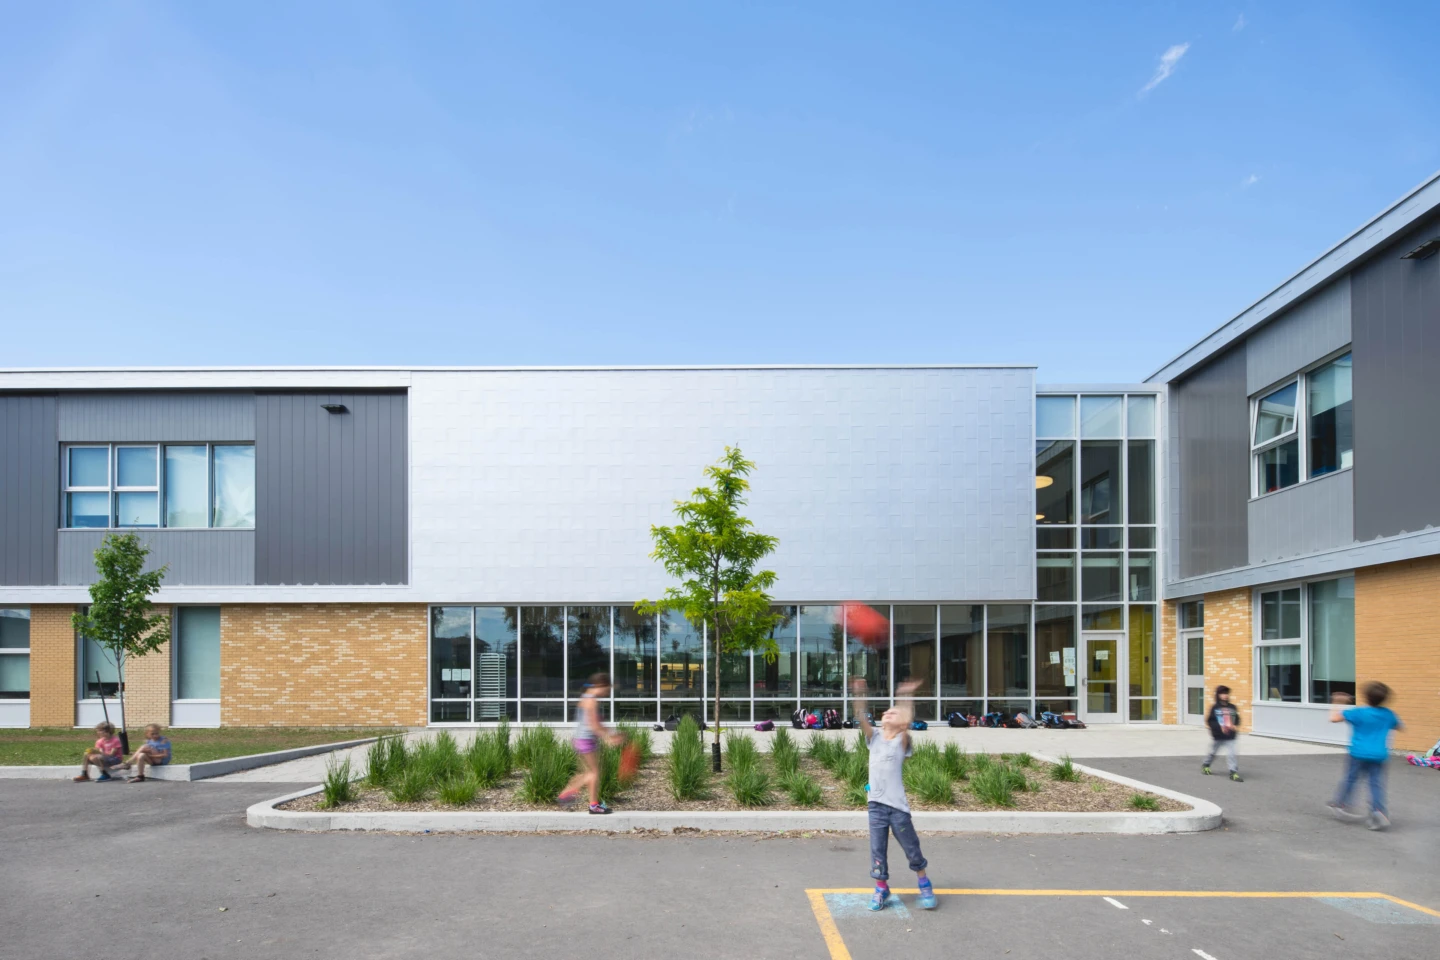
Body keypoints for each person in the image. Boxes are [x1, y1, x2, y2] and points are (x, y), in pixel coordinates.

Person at [851, 677, 936, 912]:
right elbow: (861, 716)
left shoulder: (901, 741)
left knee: (911, 848)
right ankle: (881, 888)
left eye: (893, 713)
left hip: (898, 809)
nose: (888, 713)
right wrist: (860, 694)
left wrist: (905, 696)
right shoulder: (874, 737)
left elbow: (906, 720)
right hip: (876, 805)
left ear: (901, 724)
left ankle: (924, 882)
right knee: (877, 850)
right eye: (886, 712)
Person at [1328, 682, 1402, 831]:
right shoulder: (1388, 714)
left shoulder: (1359, 712)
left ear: (1367, 697)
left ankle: (1341, 803)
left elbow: (1334, 718)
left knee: (1351, 779)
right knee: (1376, 784)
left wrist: (1337, 702)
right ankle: (1379, 812)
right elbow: (1399, 726)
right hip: (1379, 755)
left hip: (1358, 753)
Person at [558, 673, 623, 814]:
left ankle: (568, 794)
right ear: (600, 686)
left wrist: (611, 733)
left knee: (587, 772)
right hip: (586, 741)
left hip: (581, 740)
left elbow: (596, 723)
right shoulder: (592, 701)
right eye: (607, 690)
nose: (607, 693)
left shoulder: (585, 697)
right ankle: (592, 805)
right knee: (593, 773)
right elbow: (594, 725)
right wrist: (608, 738)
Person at [1202, 686, 1242, 782]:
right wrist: (1219, 728)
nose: (1225, 696)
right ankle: (1206, 764)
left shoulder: (1232, 707)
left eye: (1226, 694)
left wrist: (1235, 725)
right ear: (1218, 695)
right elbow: (1210, 721)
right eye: (1223, 694)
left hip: (1230, 736)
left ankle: (1233, 772)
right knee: (1213, 752)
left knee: (1232, 753)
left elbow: (1237, 718)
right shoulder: (1215, 708)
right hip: (1218, 736)